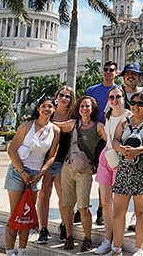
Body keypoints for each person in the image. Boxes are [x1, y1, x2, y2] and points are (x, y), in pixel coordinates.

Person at [4, 96, 61, 256]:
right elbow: (12, 150)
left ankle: (22, 251)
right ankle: (9, 252)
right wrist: (22, 172)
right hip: (17, 172)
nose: (47, 109)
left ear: (54, 109)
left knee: (26, 215)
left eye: (50, 106)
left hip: (36, 175)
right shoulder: (27, 126)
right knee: (16, 213)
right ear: (38, 108)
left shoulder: (55, 131)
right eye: (43, 106)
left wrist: (42, 172)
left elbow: (52, 155)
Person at [55, 96, 106, 251]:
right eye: (82, 106)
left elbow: (110, 141)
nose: (84, 109)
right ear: (78, 109)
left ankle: (87, 238)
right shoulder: (73, 124)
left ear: (92, 109)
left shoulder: (98, 126)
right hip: (67, 167)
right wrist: (35, 120)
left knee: (83, 207)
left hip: (84, 170)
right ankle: (69, 236)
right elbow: (55, 125)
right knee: (67, 205)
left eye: (87, 106)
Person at [109, 92, 143, 256]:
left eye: (140, 103)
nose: (136, 106)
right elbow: (115, 140)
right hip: (125, 168)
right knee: (119, 211)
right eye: (133, 103)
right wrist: (121, 149)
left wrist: (138, 151)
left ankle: (138, 248)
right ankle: (116, 247)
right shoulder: (124, 121)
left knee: (141, 212)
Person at [94, 87, 131, 255]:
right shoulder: (108, 114)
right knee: (106, 203)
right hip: (106, 158)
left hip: (120, 161)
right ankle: (108, 239)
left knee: (118, 207)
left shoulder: (129, 116)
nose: (115, 99)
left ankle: (117, 242)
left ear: (123, 98)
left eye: (118, 96)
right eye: (112, 97)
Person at [36, 86, 75, 244]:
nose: (64, 98)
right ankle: (43, 229)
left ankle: (64, 226)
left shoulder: (74, 116)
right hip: (45, 161)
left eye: (68, 96)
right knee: (44, 196)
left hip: (63, 162)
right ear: (56, 96)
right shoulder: (48, 112)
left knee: (63, 197)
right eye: (62, 95)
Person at [86, 61, 120, 225]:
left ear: (116, 72)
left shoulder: (119, 91)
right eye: (106, 70)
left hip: (109, 139)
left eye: (111, 70)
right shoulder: (92, 90)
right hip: (91, 137)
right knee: (86, 173)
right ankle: (83, 207)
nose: (108, 72)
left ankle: (101, 209)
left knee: (105, 176)